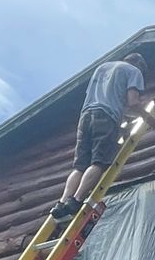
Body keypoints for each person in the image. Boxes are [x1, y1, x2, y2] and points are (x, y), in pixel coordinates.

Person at [51, 52, 150, 220]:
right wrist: (147, 116)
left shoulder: (102, 69)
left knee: (80, 166)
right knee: (99, 162)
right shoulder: (134, 71)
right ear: (139, 65)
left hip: (86, 117)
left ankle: (61, 203)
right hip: (106, 118)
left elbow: (105, 99)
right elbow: (133, 102)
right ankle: (76, 200)